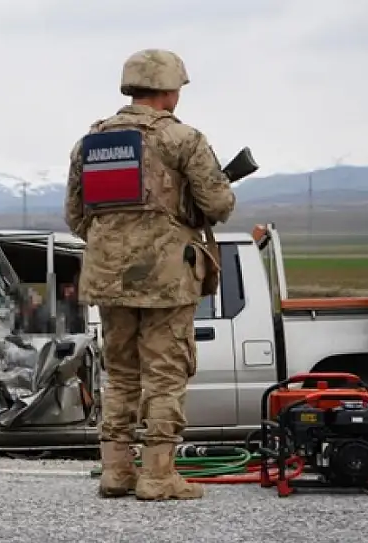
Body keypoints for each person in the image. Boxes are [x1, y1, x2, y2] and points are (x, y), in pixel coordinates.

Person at [63, 49, 236, 501]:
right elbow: (217, 206)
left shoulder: (92, 142)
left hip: (107, 276)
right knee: (164, 374)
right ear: (169, 90)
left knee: (119, 374)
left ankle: (116, 472)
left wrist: (118, 240)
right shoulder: (182, 139)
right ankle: (159, 476)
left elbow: (76, 217)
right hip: (165, 278)